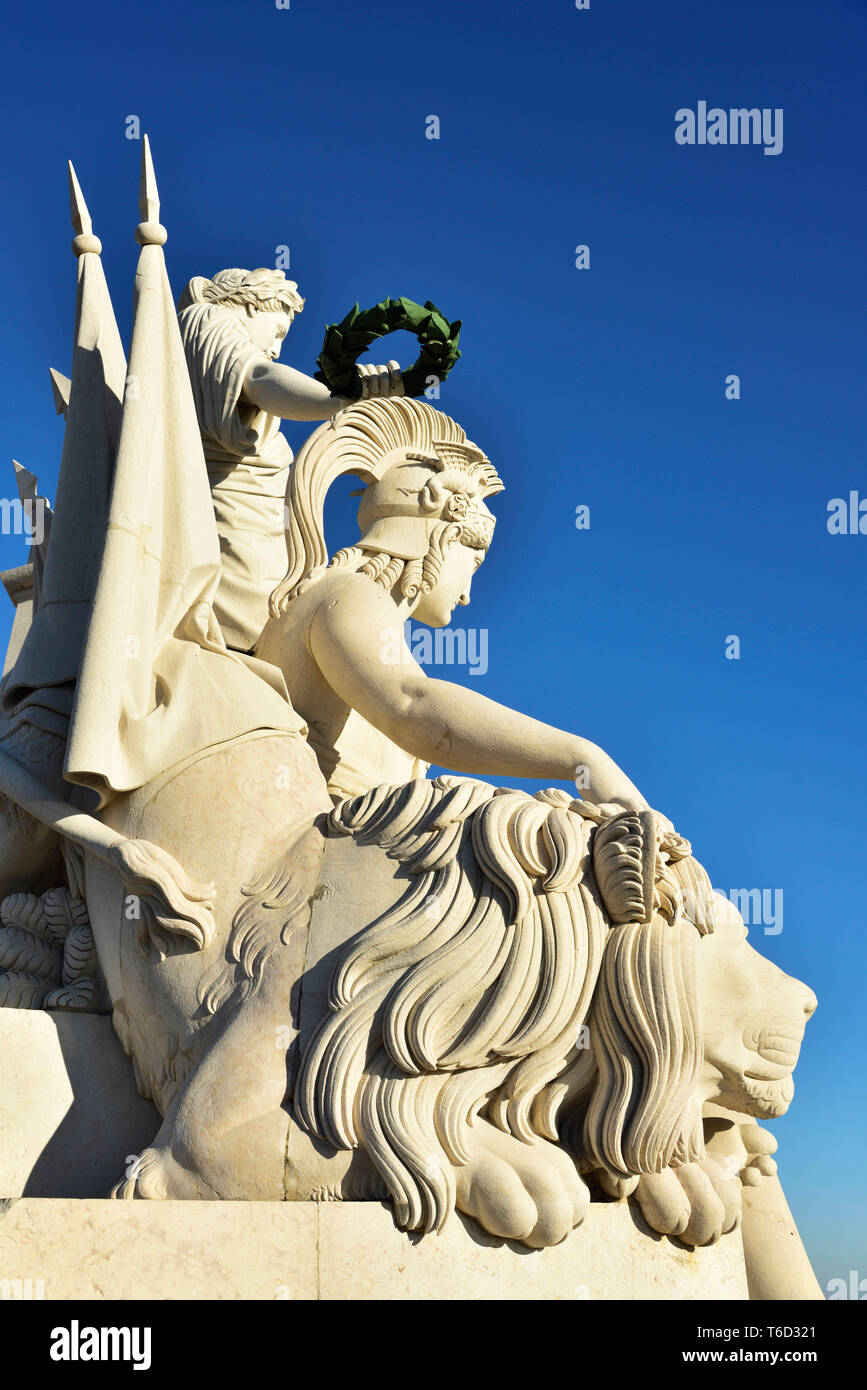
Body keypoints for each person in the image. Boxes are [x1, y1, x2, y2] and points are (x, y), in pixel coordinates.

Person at [257, 396, 647, 810]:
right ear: (437, 532)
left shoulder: (361, 613)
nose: (466, 594)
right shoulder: (348, 593)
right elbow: (411, 707)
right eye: (474, 562)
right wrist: (580, 757)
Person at [178, 268, 403, 651]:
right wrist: (343, 396)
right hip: (232, 559)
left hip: (254, 552)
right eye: (278, 331)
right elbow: (261, 377)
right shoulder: (208, 320)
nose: (278, 347)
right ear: (250, 306)